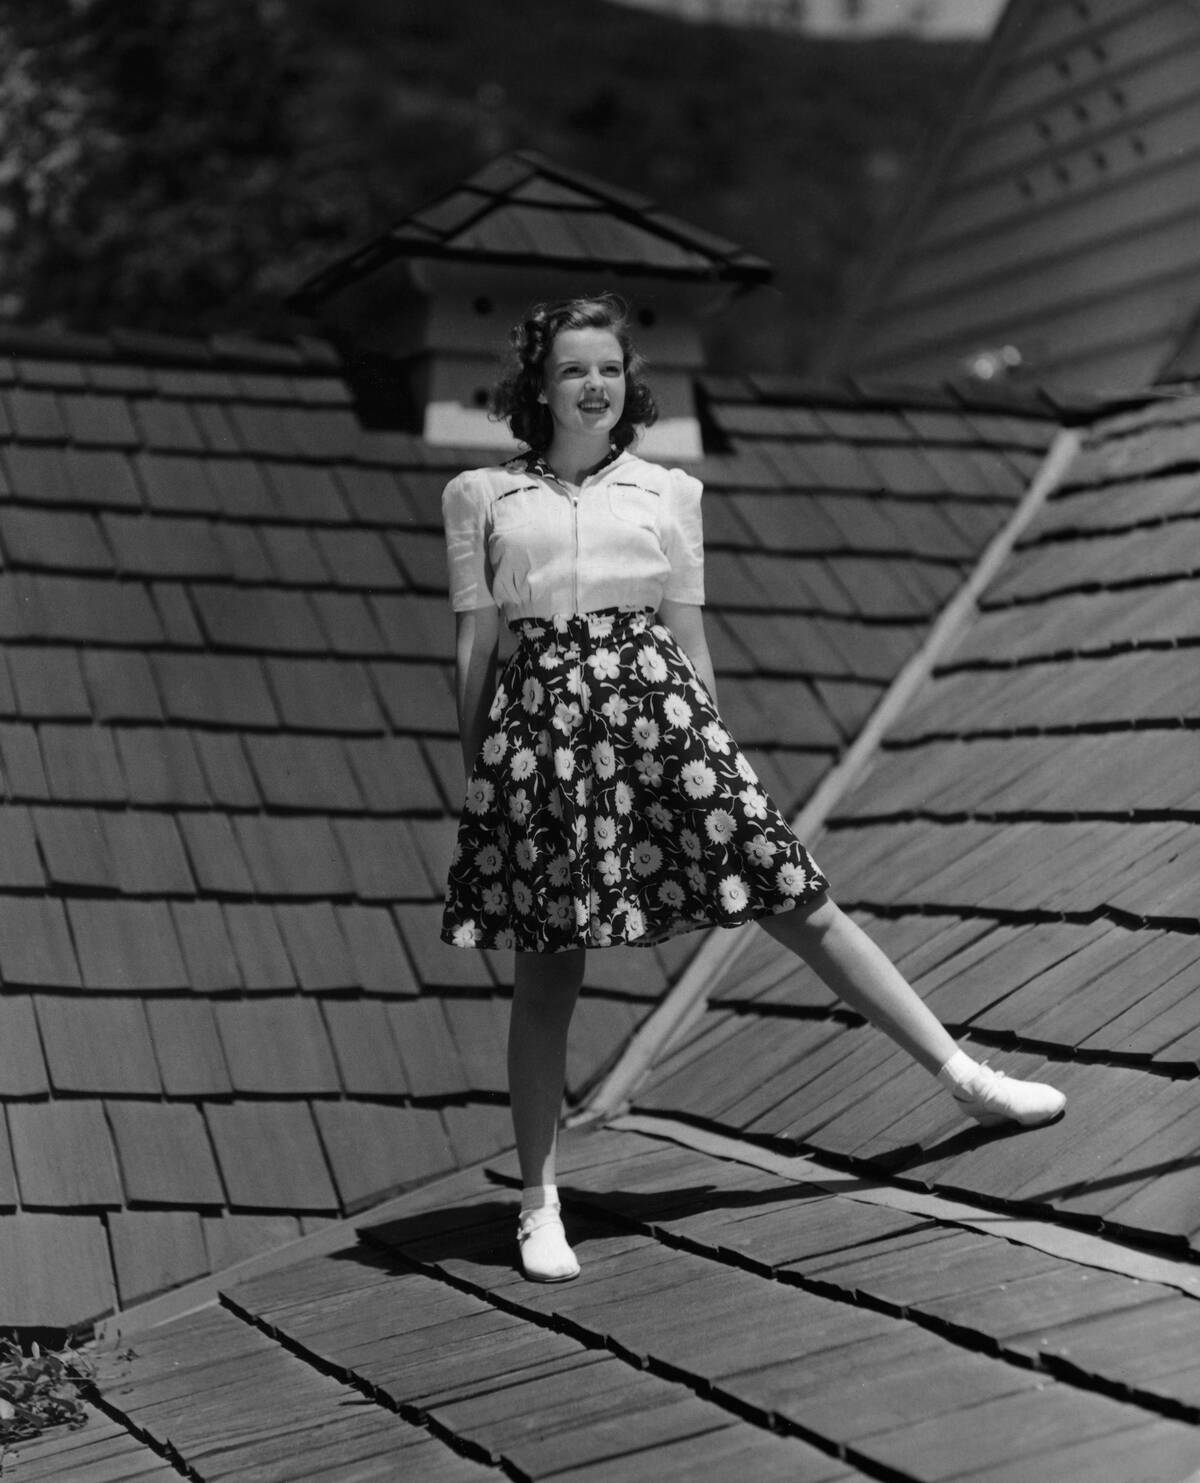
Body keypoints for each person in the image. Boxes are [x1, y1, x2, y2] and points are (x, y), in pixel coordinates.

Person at [440, 294, 1065, 1283]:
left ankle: (965, 1076)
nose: (594, 384)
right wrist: (485, 783)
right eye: (572, 369)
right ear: (538, 385)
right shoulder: (481, 496)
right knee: (548, 968)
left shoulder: (668, 491)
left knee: (800, 900)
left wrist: (717, 752)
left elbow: (690, 638)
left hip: (664, 721)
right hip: (544, 746)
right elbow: (475, 652)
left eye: (608, 367)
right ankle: (538, 1202)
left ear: (628, 379)